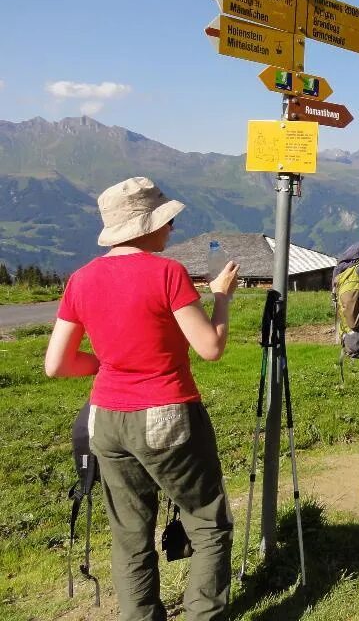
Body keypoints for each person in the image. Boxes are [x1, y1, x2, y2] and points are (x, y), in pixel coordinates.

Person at [44, 177, 238, 620]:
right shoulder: (166, 273)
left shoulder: (81, 279)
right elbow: (209, 348)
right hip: (167, 411)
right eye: (164, 221)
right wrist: (221, 299)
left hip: (105, 419)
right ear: (145, 228)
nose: (171, 228)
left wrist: (106, 364)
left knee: (131, 536)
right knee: (208, 524)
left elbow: (57, 364)